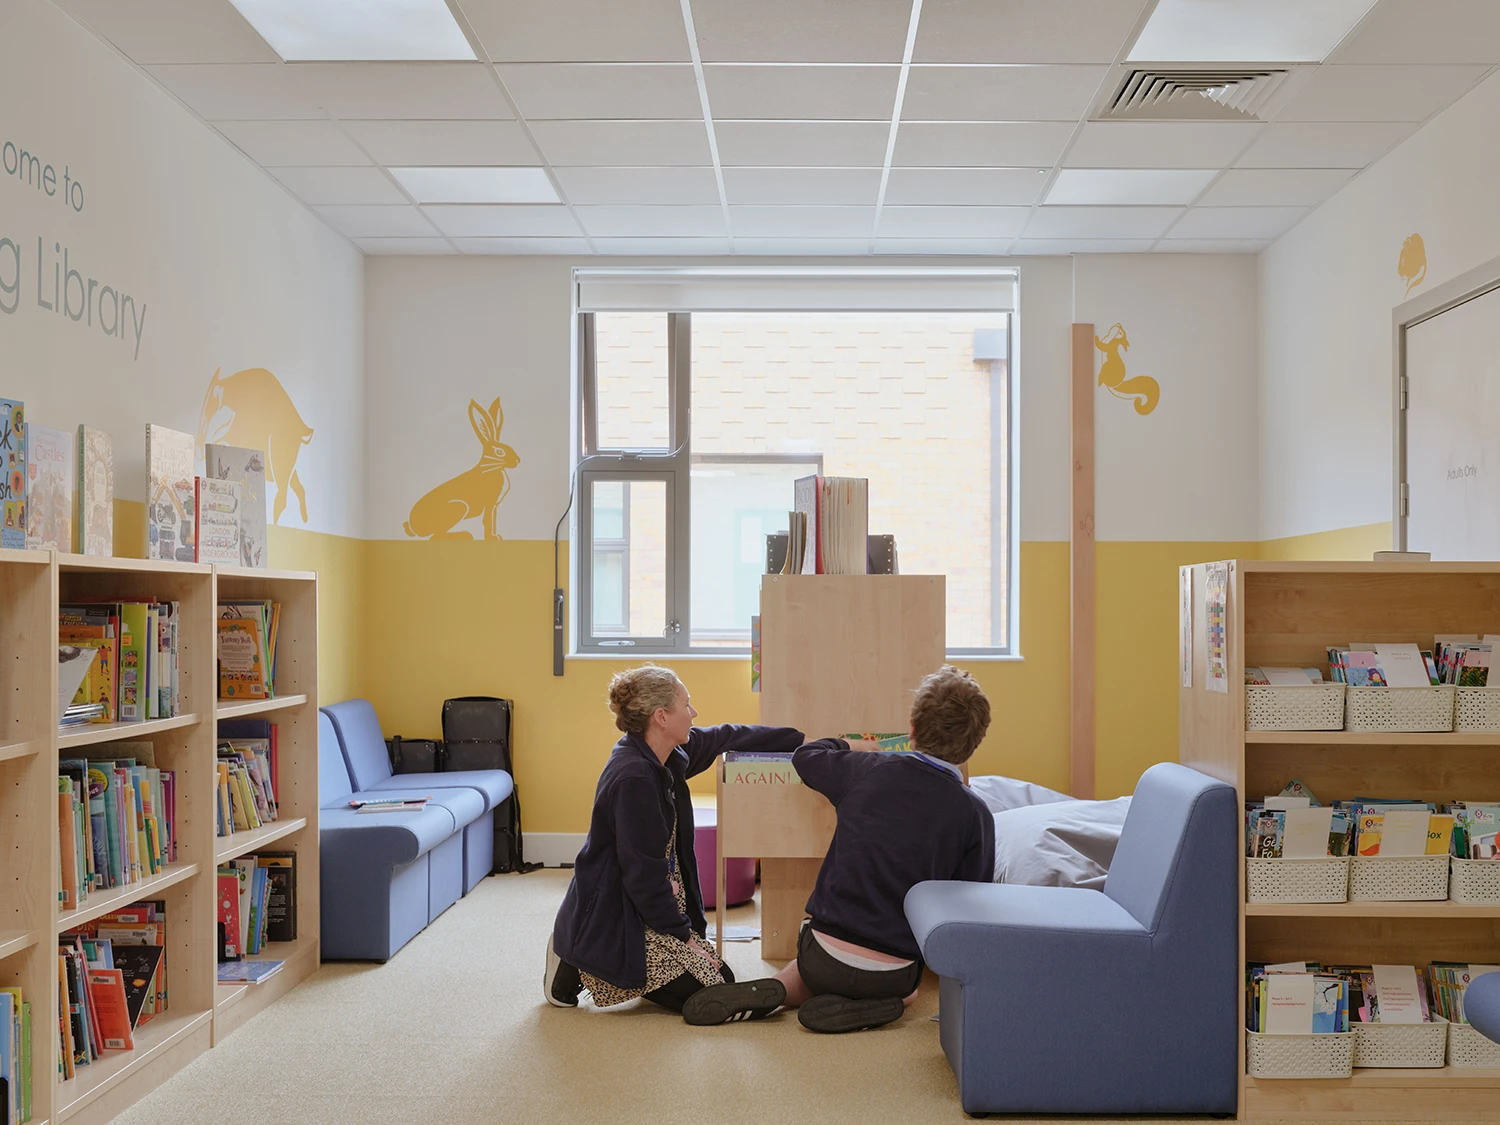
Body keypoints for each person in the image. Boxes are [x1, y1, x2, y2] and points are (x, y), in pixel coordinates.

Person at [682, 665, 995, 1032]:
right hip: (895, 971)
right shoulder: (976, 815)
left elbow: (806, 755)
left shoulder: (867, 769)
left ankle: (783, 989)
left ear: (911, 730)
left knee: (803, 971)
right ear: (974, 743)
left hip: (821, 954)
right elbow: (968, 907)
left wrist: (852, 744)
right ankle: (883, 1003)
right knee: (910, 990)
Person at [545, 664, 801, 1019]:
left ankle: (601, 953)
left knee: (719, 976)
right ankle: (575, 956)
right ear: (662, 717)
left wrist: (805, 743)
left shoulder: (670, 753)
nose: (694, 713)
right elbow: (644, 879)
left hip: (648, 905)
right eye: (687, 704)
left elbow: (728, 736)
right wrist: (683, 936)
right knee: (711, 991)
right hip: (618, 913)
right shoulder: (634, 778)